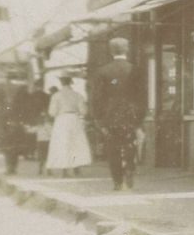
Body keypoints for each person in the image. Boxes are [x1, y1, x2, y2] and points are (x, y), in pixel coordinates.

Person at [92, 37, 144, 191]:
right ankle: (129, 170)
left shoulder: (102, 71)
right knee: (130, 145)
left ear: (111, 51)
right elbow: (142, 96)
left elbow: (96, 98)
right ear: (127, 50)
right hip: (131, 116)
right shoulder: (136, 70)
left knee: (113, 149)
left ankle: (117, 181)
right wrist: (140, 120)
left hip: (110, 117)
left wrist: (99, 120)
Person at [45, 76, 92, 177]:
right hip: (74, 119)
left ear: (61, 83)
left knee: (62, 143)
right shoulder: (77, 95)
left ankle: (64, 170)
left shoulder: (56, 96)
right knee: (75, 142)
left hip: (61, 120)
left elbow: (52, 112)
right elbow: (84, 111)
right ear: (70, 82)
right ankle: (76, 168)